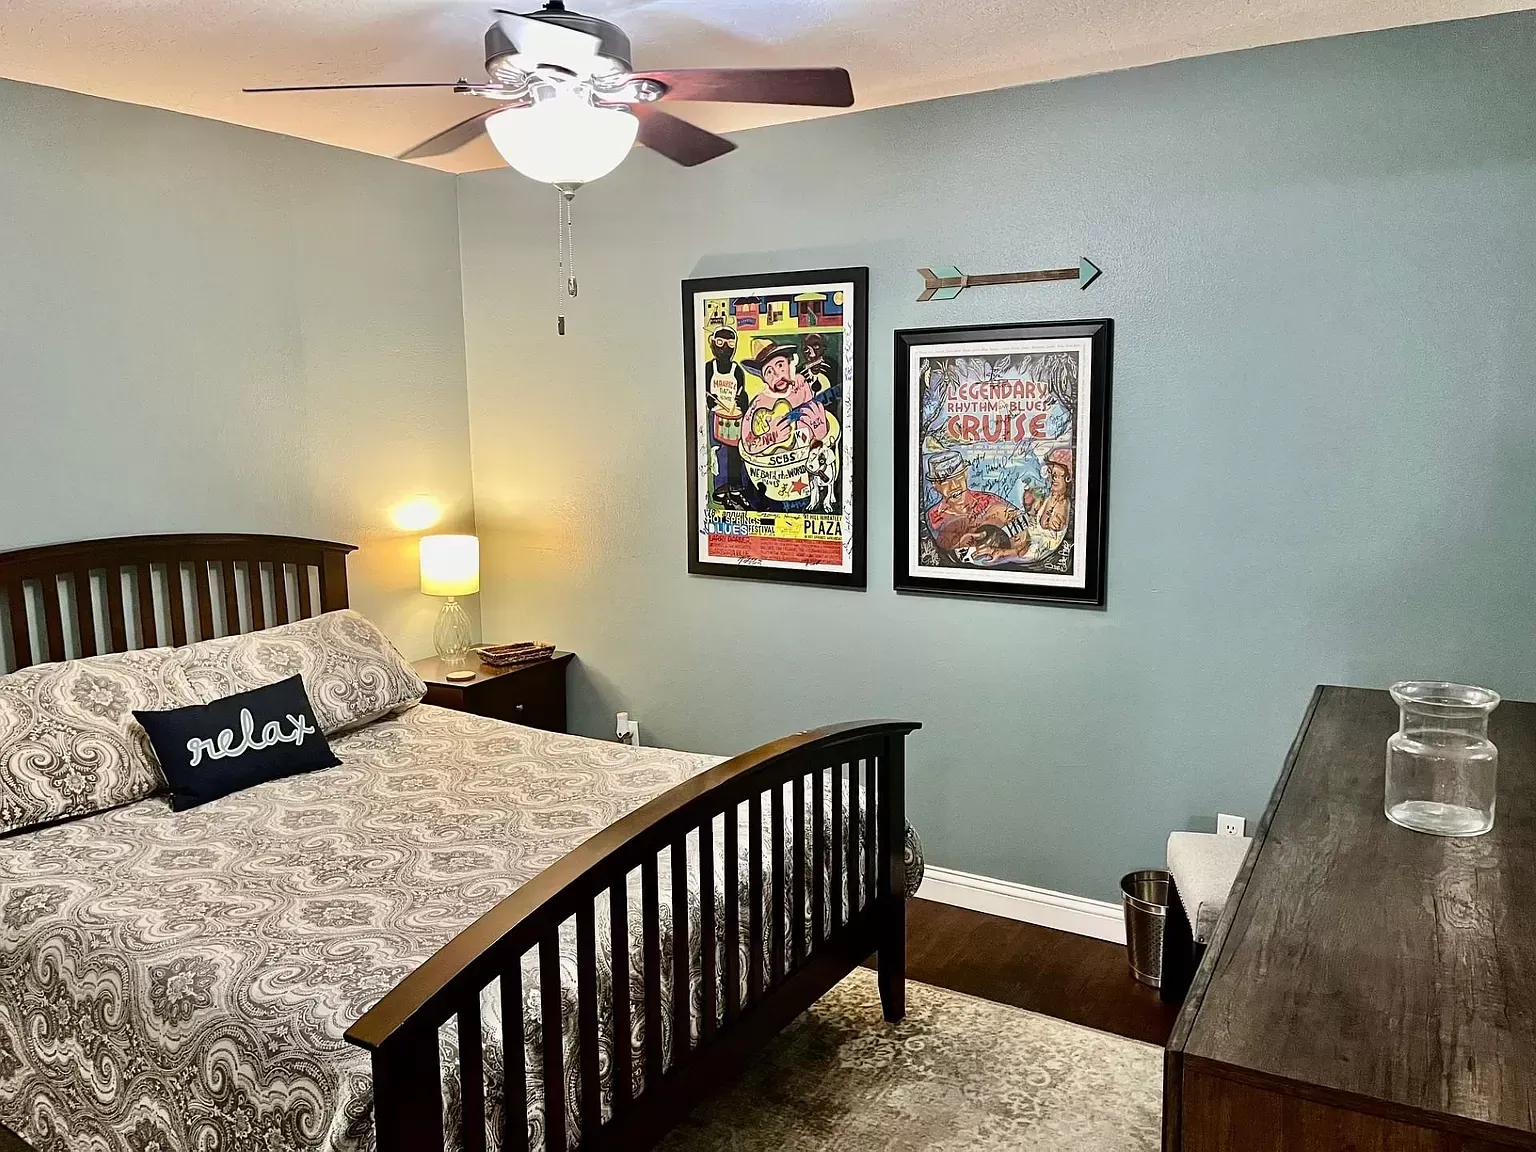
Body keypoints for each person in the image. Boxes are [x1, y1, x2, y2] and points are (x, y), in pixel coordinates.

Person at [924, 450, 1031, 565]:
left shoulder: (991, 503)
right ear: (935, 486)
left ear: (965, 474)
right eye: (945, 482)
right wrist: (958, 546)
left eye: (958, 477)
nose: (954, 486)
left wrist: (1007, 553)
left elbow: (1029, 540)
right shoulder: (932, 519)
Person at [739, 339, 829, 456]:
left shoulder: (800, 383)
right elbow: (747, 444)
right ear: (764, 379)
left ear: (789, 363)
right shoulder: (758, 403)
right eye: (769, 372)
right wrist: (772, 437)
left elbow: (811, 427)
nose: (777, 375)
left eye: (780, 365)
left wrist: (821, 432)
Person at [703, 326, 751, 507]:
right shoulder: (708, 368)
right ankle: (722, 491)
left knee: (735, 453)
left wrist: (741, 402)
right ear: (713, 344)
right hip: (716, 415)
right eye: (720, 343)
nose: (725, 348)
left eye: (730, 343)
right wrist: (708, 400)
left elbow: (741, 392)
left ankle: (737, 489)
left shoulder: (736, 370)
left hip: (734, 417)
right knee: (719, 453)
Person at [1023, 447, 1073, 533]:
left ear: (1068, 478)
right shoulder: (1044, 498)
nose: (1052, 478)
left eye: (1056, 475)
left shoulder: (1067, 506)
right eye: (1050, 472)